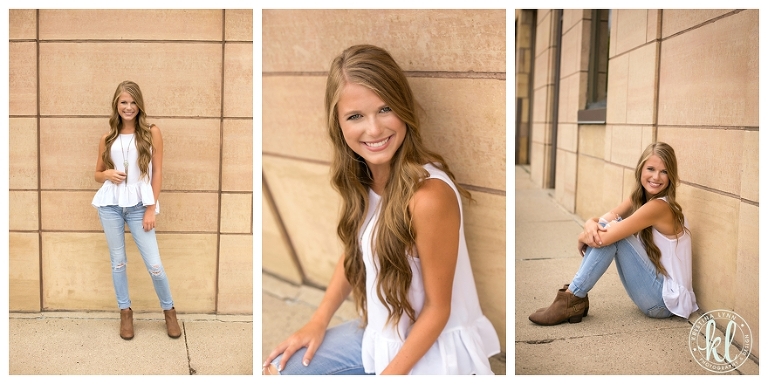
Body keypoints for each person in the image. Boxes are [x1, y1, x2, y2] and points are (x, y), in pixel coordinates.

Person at [263, 44, 500, 375]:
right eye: (356, 116)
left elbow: (437, 310)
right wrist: (316, 322)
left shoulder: (428, 196)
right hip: (380, 336)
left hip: (432, 352)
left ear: (404, 108)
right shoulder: (364, 180)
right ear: (339, 124)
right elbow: (354, 253)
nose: (373, 130)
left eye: (385, 109)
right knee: (277, 370)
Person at [529, 142, 697, 326]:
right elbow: (602, 221)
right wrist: (588, 225)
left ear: (671, 175)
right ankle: (573, 298)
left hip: (663, 302)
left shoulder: (659, 207)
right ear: (640, 169)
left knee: (616, 235)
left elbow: (606, 237)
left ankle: (573, 298)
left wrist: (584, 235)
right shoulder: (639, 199)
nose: (656, 177)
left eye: (664, 171)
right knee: (609, 227)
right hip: (655, 294)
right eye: (651, 169)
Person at [91, 80, 180, 340]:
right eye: (123, 102)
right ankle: (125, 313)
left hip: (140, 206)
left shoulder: (152, 132)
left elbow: (159, 171)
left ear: (139, 104)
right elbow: (96, 174)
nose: (128, 107)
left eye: (132, 102)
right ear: (116, 105)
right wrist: (106, 173)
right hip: (110, 205)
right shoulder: (107, 138)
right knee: (118, 263)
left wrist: (151, 208)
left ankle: (169, 311)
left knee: (154, 265)